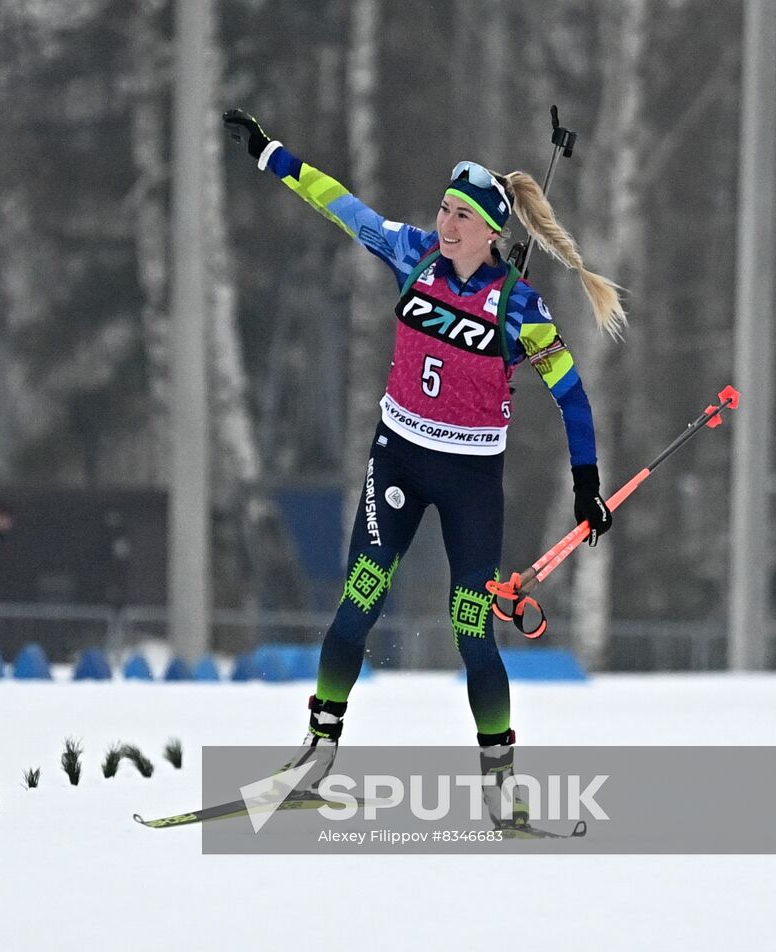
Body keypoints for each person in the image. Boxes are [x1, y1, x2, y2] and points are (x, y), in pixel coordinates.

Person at [222, 109, 624, 831]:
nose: (444, 223)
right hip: (399, 460)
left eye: (461, 216)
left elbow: (573, 398)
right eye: (443, 208)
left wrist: (587, 485)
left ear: (491, 230)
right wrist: (269, 154)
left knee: (472, 629)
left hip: (472, 482)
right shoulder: (410, 254)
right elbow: (340, 205)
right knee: (360, 600)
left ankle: (501, 784)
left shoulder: (520, 310)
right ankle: (316, 752)